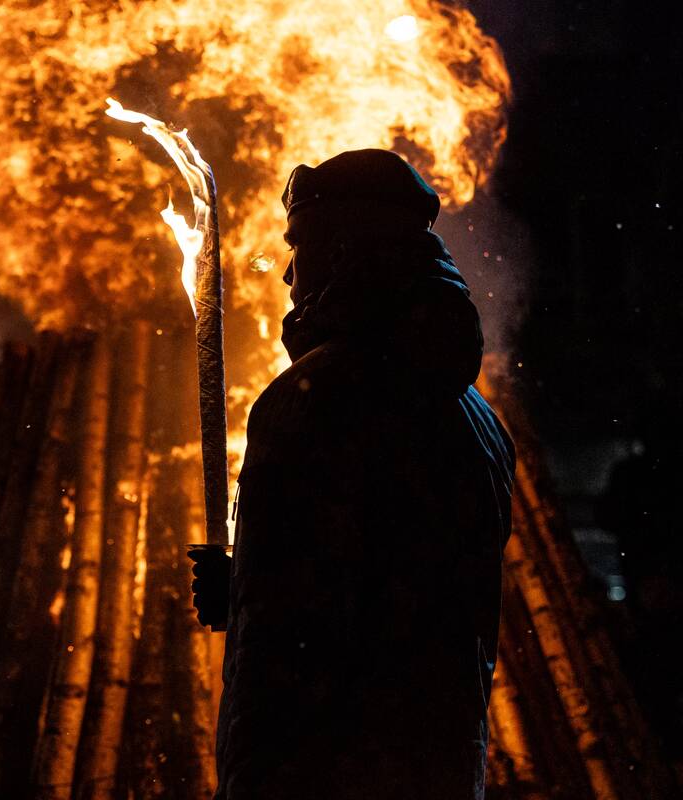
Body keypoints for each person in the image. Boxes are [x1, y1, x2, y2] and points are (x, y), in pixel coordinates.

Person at [191, 149, 516, 799]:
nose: (288, 273)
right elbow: (384, 581)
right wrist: (249, 580)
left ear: (343, 250)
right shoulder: (476, 415)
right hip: (435, 768)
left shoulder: (315, 398)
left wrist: (259, 596)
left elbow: (298, 646)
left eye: (301, 243)